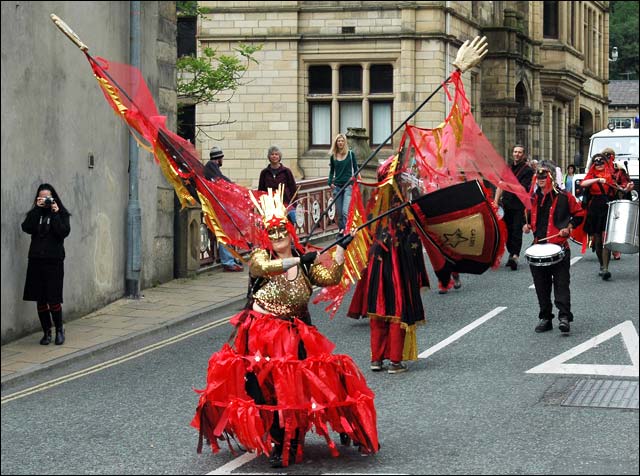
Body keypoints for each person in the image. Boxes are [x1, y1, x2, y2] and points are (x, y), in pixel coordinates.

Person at [191, 185, 378, 468]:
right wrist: (297, 259)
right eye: (272, 233)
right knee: (263, 390)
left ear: (290, 233)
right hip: (262, 335)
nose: (277, 237)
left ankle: (290, 440)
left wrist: (341, 249)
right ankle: (278, 436)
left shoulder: (304, 264)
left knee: (296, 391)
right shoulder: (261, 258)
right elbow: (264, 269)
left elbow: (330, 277)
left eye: (282, 232)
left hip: (296, 333)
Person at [347, 157, 429, 374]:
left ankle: (376, 359)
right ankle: (394, 360)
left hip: (376, 265)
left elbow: (370, 232)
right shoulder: (400, 204)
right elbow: (413, 231)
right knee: (396, 311)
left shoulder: (374, 201)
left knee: (378, 311)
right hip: (396, 266)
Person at [523, 161, 584, 333]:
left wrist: (569, 228)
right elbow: (526, 217)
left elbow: (579, 214)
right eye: (538, 176)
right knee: (541, 286)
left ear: (551, 176)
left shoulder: (564, 197)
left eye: (544, 176)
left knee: (561, 284)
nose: (540, 179)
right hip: (538, 246)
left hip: (559, 246)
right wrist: (526, 226)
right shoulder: (534, 198)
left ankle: (564, 317)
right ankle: (545, 318)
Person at [21, 183, 71, 346]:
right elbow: (26, 228)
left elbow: (63, 232)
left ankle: (59, 331)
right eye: (41, 197)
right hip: (36, 261)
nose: (45, 201)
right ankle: (46, 332)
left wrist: (55, 213)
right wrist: (36, 209)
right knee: (40, 299)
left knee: (53, 299)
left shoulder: (61, 214)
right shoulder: (35, 214)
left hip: (54, 262)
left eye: (47, 197)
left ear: (54, 198)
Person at [494, 144, 534, 270]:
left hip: (519, 205)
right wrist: (495, 202)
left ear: (524, 154)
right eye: (515, 152)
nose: (517, 154)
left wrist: (506, 185)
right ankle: (511, 252)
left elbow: (522, 189)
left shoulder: (527, 170)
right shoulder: (508, 168)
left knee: (516, 231)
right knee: (507, 232)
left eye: (520, 152)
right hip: (506, 204)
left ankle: (515, 256)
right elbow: (500, 185)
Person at [204, 146, 243, 272]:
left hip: (220, 206)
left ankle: (231, 258)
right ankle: (228, 261)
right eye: (221, 158)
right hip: (218, 206)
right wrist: (232, 185)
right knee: (225, 233)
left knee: (229, 231)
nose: (222, 161)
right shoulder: (211, 167)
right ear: (218, 158)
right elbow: (220, 181)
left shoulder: (212, 168)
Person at [580, 153, 617, 280]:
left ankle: (606, 268)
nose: (599, 163)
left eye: (601, 161)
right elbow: (583, 184)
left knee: (607, 238)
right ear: (593, 164)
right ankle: (602, 264)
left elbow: (618, 189)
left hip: (608, 206)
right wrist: (596, 180)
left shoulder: (611, 174)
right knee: (597, 238)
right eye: (596, 162)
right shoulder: (591, 174)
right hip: (595, 208)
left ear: (605, 162)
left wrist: (627, 188)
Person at [328, 133, 358, 235]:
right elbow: (332, 171)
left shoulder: (350, 154)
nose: (340, 143)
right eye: (338, 141)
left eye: (342, 141)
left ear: (345, 142)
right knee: (339, 212)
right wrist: (329, 182)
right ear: (336, 143)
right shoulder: (333, 156)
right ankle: (342, 229)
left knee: (345, 211)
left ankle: (347, 230)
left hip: (348, 186)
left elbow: (356, 168)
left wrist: (354, 179)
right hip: (337, 186)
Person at [258, 145, 297, 224]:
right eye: (272, 154)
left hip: (285, 204)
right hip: (270, 206)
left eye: (276, 154)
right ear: (269, 157)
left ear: (279, 156)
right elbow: (261, 190)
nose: (274, 156)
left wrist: (293, 204)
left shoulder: (286, 171)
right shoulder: (264, 173)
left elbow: (293, 188)